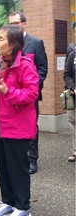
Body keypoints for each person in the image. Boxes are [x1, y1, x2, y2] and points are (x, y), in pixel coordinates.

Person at [0, 25, 38, 216]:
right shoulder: (0, 62)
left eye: (1, 39)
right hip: (0, 124)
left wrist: (8, 91)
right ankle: (8, 202)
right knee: (3, 166)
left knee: (18, 168)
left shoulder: (25, 65)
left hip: (18, 126)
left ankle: (23, 207)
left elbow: (32, 94)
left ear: (13, 43)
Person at [8, 11, 48, 174]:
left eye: (16, 23)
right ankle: (18, 158)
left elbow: (42, 68)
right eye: (10, 24)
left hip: (29, 96)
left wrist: (31, 88)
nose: (13, 27)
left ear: (24, 24)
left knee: (31, 126)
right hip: (11, 94)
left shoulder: (36, 43)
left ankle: (32, 159)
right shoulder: (8, 44)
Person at [63, 32, 76, 162]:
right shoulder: (72, 53)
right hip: (73, 96)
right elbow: (67, 74)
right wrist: (73, 88)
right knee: (73, 123)